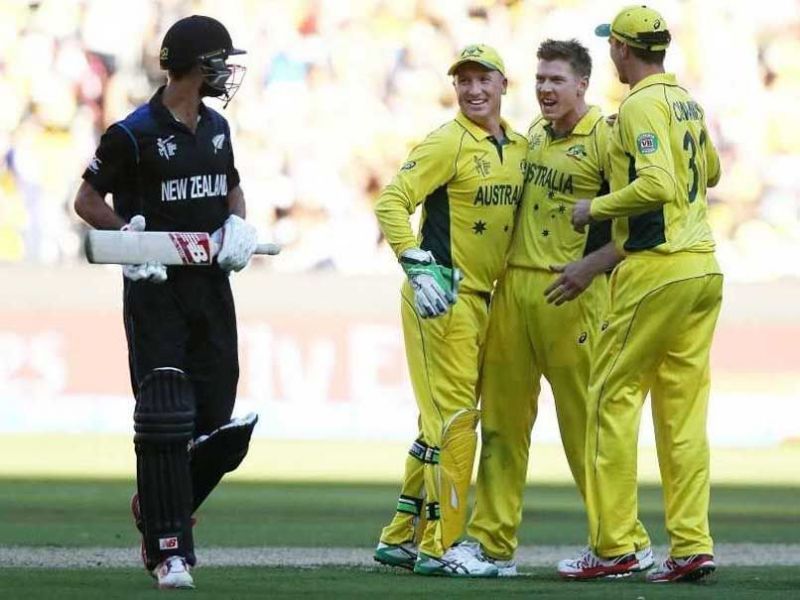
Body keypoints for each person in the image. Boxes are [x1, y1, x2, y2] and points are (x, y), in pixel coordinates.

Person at [74, 15, 260, 590]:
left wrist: (238, 226)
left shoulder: (217, 126)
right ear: (192, 65)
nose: (226, 71)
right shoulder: (132, 133)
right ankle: (169, 550)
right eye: (219, 61)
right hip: (156, 288)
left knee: (221, 427)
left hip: (210, 288)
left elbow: (230, 186)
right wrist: (127, 239)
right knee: (165, 416)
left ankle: (155, 503)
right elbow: (86, 199)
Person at [458, 39, 651, 577]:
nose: (545, 89)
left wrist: (592, 268)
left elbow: (643, 224)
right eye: (540, 79)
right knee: (500, 425)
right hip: (515, 293)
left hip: (575, 297)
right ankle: (491, 545)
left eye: (556, 81)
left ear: (582, 85)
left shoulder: (608, 138)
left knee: (585, 428)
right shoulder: (535, 136)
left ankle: (622, 541)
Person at [559, 5, 723, 582]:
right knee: (682, 416)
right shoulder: (687, 103)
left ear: (624, 50)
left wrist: (594, 209)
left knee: (608, 399)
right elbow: (712, 171)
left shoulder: (639, 105)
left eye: (613, 47)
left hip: (659, 270)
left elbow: (658, 182)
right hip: (704, 269)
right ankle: (691, 544)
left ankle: (613, 547)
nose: (611, 54)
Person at [372, 44, 527, 577]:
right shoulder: (445, 142)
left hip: (488, 299)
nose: (474, 89)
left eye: (484, 79)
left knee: (439, 420)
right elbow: (391, 201)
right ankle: (443, 546)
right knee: (456, 422)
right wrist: (416, 264)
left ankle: (400, 536)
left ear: (505, 84)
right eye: (464, 81)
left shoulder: (522, 148)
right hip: (442, 297)